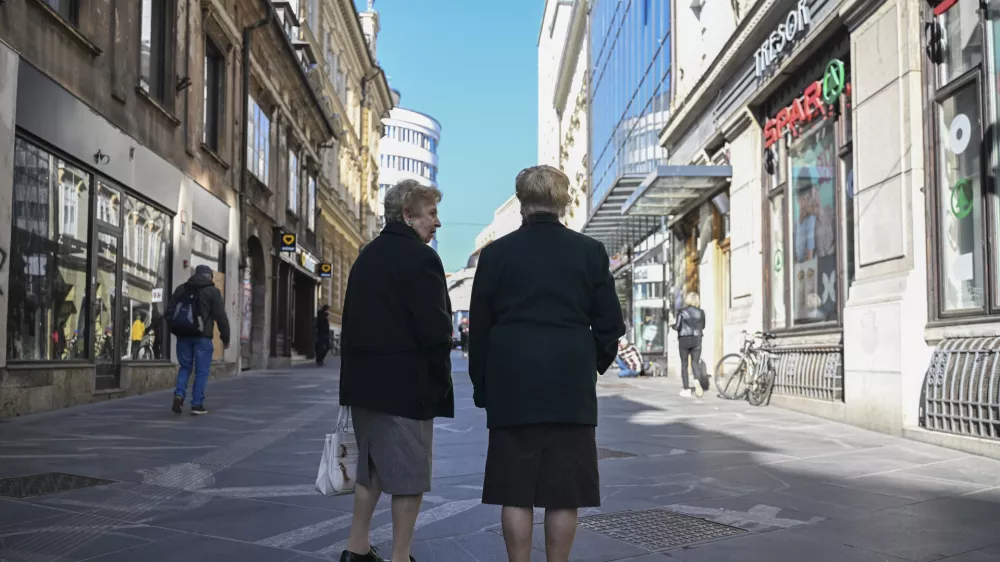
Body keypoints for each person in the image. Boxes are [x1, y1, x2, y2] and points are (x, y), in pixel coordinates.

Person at [469, 165, 626, 562]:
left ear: (522, 204)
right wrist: (590, 362)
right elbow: (611, 324)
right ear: (564, 203)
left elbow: (481, 329)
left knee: (515, 492)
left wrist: (483, 385)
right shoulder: (589, 251)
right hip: (568, 383)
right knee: (563, 492)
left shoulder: (496, 254)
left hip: (511, 381)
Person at [339, 179, 453, 562]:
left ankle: (356, 549)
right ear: (407, 214)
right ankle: (401, 557)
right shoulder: (421, 258)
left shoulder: (366, 256)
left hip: (363, 385)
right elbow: (435, 330)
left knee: (369, 470)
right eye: (431, 214)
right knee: (408, 477)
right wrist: (439, 369)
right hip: (407, 386)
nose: (437, 223)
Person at [166, 264, 230, 415]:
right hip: (203, 337)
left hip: (183, 336)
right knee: (201, 371)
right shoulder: (213, 291)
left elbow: (169, 312)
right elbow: (221, 317)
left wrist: (176, 329)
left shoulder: (181, 289)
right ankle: (196, 404)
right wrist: (225, 338)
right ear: (210, 276)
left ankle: (179, 394)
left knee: (185, 367)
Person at [672, 292, 706, 398]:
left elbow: (677, 326)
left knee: (684, 364)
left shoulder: (681, 312)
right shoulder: (701, 312)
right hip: (697, 339)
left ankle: (686, 389)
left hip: (684, 339)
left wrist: (672, 324)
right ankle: (696, 380)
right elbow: (703, 326)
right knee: (695, 363)